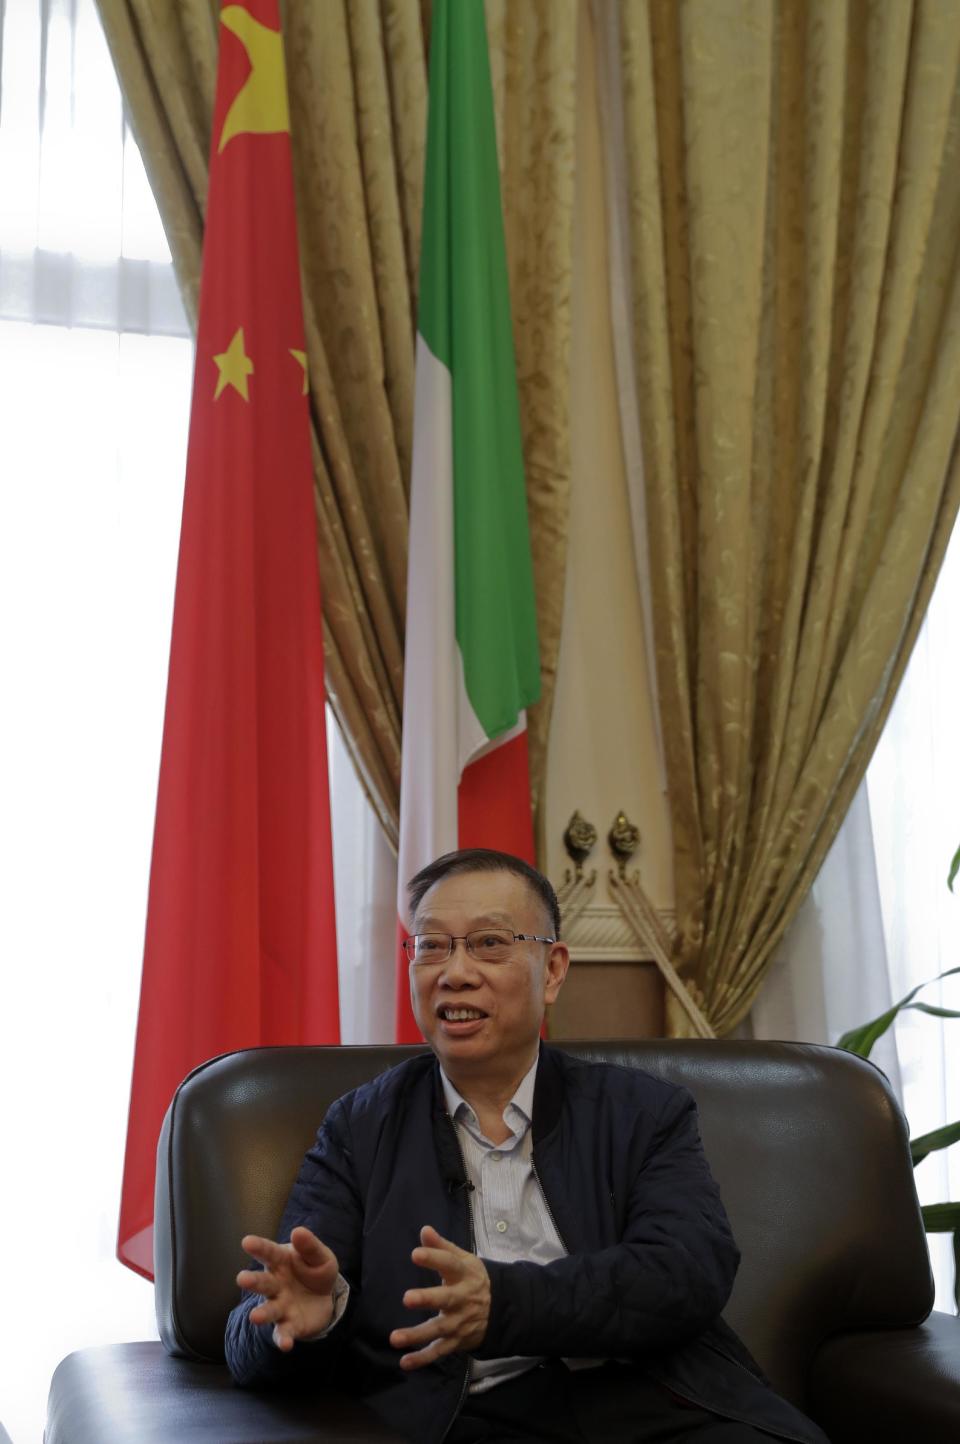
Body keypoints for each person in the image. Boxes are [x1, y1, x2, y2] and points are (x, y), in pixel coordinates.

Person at [226, 848, 829, 1444]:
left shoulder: (643, 1112)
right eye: (432, 945)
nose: (454, 971)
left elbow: (687, 1271)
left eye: (489, 943)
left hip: (653, 1398)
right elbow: (261, 1328)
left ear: (554, 970)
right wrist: (313, 1317)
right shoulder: (359, 1128)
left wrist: (507, 1301)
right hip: (468, 1416)